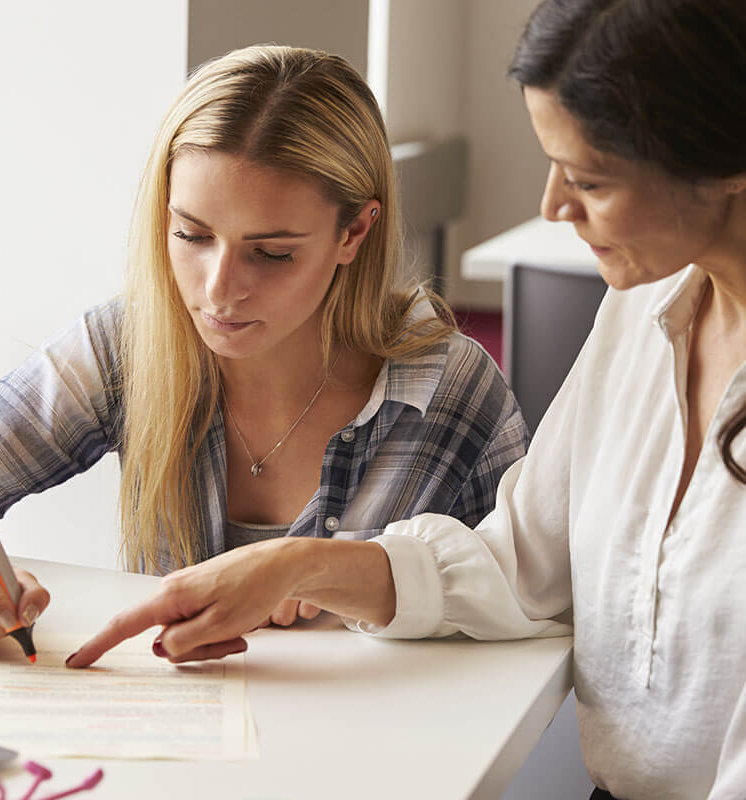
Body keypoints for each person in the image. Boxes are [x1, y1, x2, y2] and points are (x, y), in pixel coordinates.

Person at [64, 2, 746, 798]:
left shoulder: (453, 383)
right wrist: (297, 563)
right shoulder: (640, 313)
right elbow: (522, 564)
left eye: (589, 178)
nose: (553, 205)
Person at [0, 46, 527, 662]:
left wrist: (350, 578)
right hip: (168, 746)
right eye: (192, 235)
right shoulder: (128, 345)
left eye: (271, 253)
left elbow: (538, 604)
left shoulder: (452, 389)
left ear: (354, 232)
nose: (218, 289)